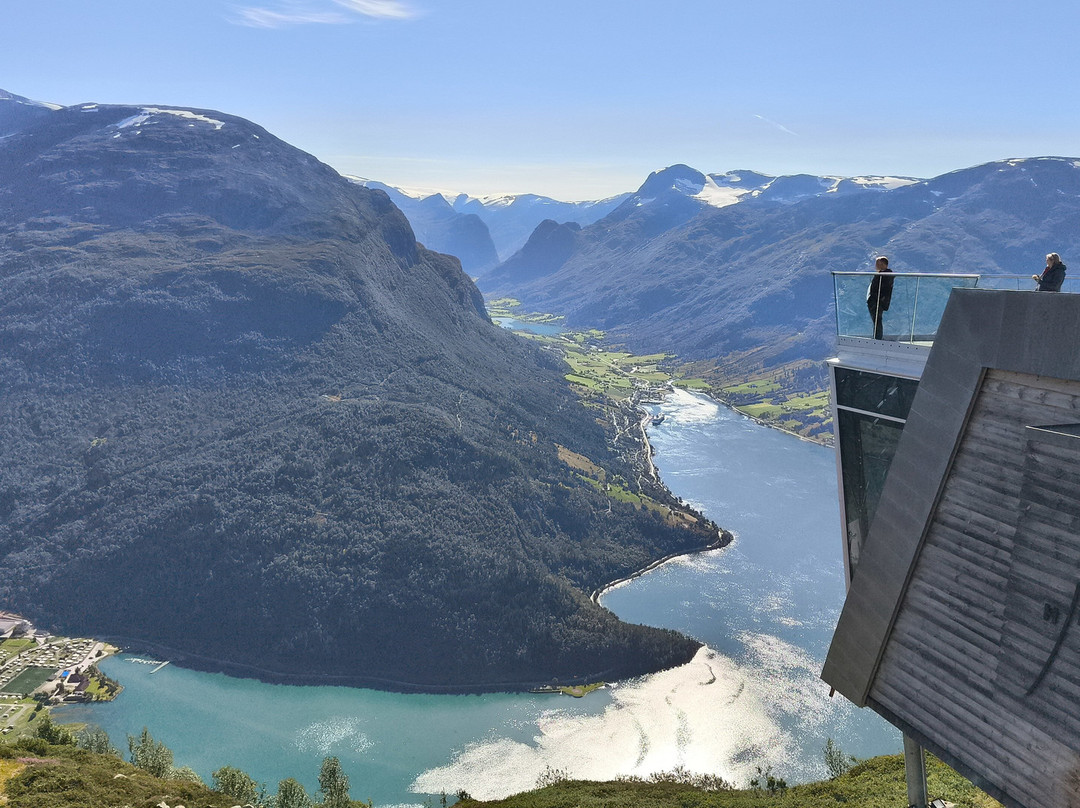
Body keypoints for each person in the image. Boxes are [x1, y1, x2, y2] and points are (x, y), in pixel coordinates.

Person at [867, 256, 894, 339]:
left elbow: (884, 288)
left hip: (878, 301)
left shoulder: (886, 275)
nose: (875, 265)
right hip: (875, 300)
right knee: (876, 320)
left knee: (877, 319)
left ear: (882, 264)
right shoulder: (881, 274)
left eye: (877, 263)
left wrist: (878, 298)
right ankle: (877, 336)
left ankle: (878, 337)